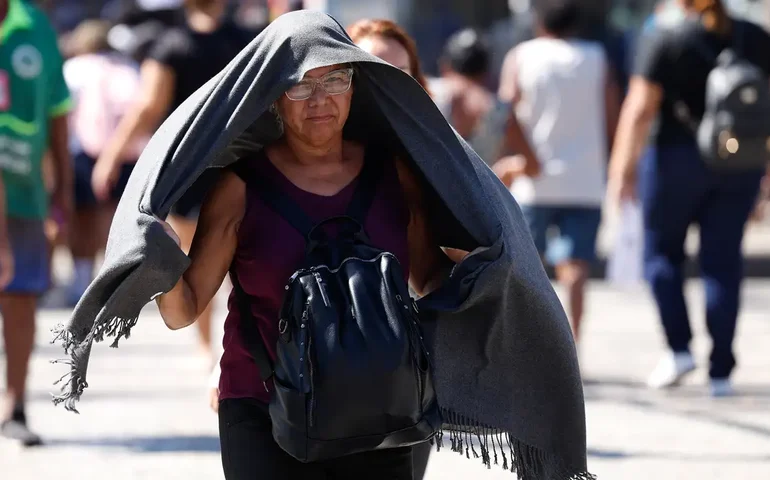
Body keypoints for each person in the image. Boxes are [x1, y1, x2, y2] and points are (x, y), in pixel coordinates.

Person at [157, 62, 464, 478]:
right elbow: (182, 310)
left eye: (335, 80)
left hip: (380, 406)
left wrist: (490, 274)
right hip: (262, 407)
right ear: (274, 100)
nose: (320, 99)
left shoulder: (394, 175)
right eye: (300, 86)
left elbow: (428, 276)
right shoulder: (238, 188)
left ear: (354, 90)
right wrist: (158, 259)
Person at [608, 0, 770, 396]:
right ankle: (721, 371)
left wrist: (620, 171)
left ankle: (679, 349)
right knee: (723, 263)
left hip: (673, 160)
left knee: (662, 256)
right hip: (739, 161)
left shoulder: (664, 37)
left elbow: (640, 108)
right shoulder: (754, 37)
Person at [92, 0, 252, 365]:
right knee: (241, 260)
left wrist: (112, 154)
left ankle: (208, 346)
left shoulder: (171, 43)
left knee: (195, 262)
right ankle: (231, 343)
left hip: (186, 166)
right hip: (237, 160)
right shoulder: (243, 41)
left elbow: (149, 105)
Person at [497, 0, 620, 343]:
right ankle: (573, 343)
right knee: (577, 265)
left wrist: (524, 157)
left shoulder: (522, 56)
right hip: (585, 179)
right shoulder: (597, 57)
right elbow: (612, 116)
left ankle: (525, 341)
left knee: (523, 265)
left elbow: (505, 114)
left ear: (539, 22)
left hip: (533, 180)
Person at [0, 0, 73, 446]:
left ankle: (15, 403)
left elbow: (58, 112)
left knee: (20, 295)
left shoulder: (36, 29)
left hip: (24, 193)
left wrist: (62, 191)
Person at [57, 20, 147, 307]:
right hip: (124, 152)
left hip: (82, 150)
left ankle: (82, 280)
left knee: (82, 217)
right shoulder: (127, 68)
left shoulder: (73, 69)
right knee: (115, 219)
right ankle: (114, 282)